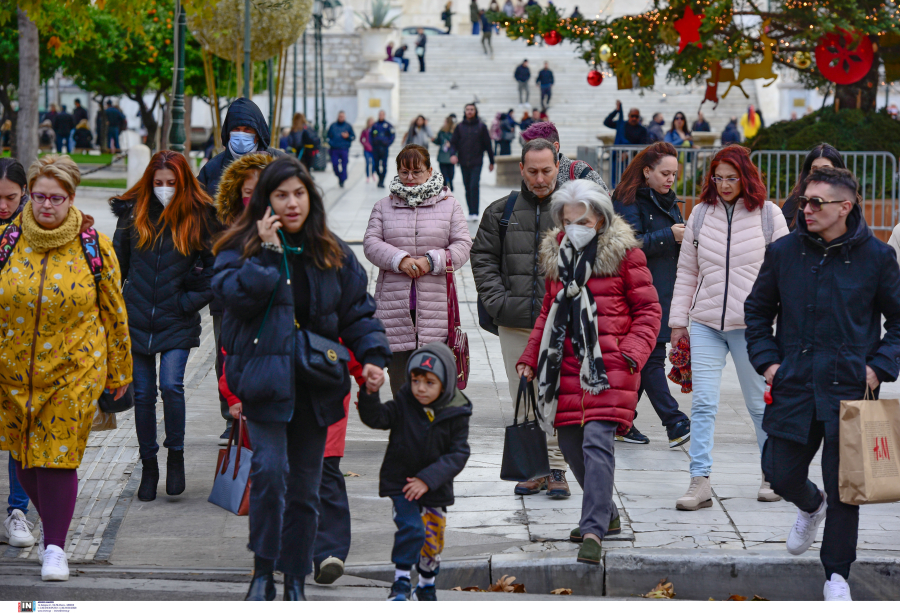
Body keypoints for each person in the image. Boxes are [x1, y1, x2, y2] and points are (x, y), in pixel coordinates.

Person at [211, 155, 391, 601]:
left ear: (310, 196)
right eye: (281, 195)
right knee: (270, 476)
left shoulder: (332, 251)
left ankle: (294, 580)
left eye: (299, 194)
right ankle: (261, 571)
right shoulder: (240, 246)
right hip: (265, 383)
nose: (292, 204)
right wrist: (267, 255)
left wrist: (371, 357)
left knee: (306, 490)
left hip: (316, 385)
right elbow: (231, 298)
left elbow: (357, 312)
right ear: (264, 202)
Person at [745, 167, 900, 601]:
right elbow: (756, 313)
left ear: (844, 208)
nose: (806, 208)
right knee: (778, 473)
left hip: (850, 390)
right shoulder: (784, 252)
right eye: (805, 200)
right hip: (794, 383)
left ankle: (836, 577)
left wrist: (879, 367)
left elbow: (899, 321)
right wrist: (769, 362)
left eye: (817, 202)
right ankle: (811, 506)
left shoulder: (876, 257)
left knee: (845, 489)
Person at [0, 155, 131, 581]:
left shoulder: (95, 245)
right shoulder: (7, 241)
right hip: (14, 370)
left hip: (75, 369)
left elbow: (115, 314)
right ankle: (50, 524)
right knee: (24, 456)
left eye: (56, 198)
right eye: (38, 196)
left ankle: (55, 546)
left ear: (71, 198)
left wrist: (119, 373)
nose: (46, 205)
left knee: (57, 458)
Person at [517, 179, 660, 564]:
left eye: (582, 219)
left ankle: (593, 530)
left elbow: (649, 311)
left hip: (609, 365)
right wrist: (531, 357)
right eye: (568, 220)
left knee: (597, 442)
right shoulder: (556, 256)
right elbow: (548, 312)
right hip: (563, 364)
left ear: (600, 217)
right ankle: (607, 515)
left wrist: (630, 353)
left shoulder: (625, 254)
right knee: (568, 445)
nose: (575, 227)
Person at [668, 145, 789, 511]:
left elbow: (786, 276)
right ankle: (699, 480)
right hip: (705, 322)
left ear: (746, 177)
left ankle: (773, 474)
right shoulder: (701, 215)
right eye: (717, 178)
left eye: (731, 178)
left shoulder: (770, 216)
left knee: (758, 404)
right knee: (703, 403)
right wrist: (678, 323)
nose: (723, 184)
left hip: (752, 327)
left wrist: (782, 326)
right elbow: (687, 272)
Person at [111, 151, 220, 501]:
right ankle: (149, 464)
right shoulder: (133, 215)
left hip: (176, 320)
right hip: (137, 320)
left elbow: (214, 272)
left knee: (171, 385)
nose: (164, 189)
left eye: (171, 183)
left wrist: (185, 304)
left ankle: (176, 455)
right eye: (158, 183)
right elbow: (116, 269)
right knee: (142, 394)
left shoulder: (198, 216)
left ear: (183, 182)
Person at [471, 138, 573, 497]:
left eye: (547, 170)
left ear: (558, 165)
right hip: (514, 321)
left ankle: (557, 467)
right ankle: (535, 467)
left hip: (562, 321)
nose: (540, 178)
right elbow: (482, 256)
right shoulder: (501, 210)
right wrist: (498, 301)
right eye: (533, 171)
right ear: (522, 170)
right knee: (523, 394)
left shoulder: (574, 210)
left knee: (558, 393)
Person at [358, 342, 471, 601]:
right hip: (403, 483)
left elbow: (458, 454)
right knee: (411, 529)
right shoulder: (403, 402)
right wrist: (370, 393)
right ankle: (400, 582)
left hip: (435, 487)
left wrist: (428, 479)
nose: (420, 388)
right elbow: (377, 418)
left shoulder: (456, 412)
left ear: (446, 383)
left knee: (432, 539)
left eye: (429, 382)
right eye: (415, 380)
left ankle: (426, 585)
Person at [364, 144, 472, 396]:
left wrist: (432, 260)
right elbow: (370, 244)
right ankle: (403, 433)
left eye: (416, 172)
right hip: (394, 309)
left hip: (436, 309)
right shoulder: (383, 206)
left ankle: (431, 435)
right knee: (401, 385)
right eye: (404, 173)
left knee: (432, 386)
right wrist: (398, 259)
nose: (410, 179)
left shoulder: (449, 205)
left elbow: (463, 245)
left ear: (430, 170)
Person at [612, 142, 691, 447]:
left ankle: (621, 422)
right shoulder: (627, 201)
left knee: (647, 358)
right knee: (652, 359)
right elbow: (627, 244)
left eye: (674, 174)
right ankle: (674, 422)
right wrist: (670, 235)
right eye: (665, 173)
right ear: (647, 172)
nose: (671, 179)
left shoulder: (668, 200)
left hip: (663, 289)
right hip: (638, 291)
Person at [0, 158, 35, 550]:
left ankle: (18, 512)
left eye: (11, 197)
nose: (3, 205)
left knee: (17, 434)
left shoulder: (29, 232)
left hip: (19, 346)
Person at [198, 97, 283, 199]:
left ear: (257, 134)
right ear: (228, 133)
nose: (241, 134)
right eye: (236, 129)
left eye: (247, 130)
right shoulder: (211, 168)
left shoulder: (278, 161)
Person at [520, 121, 608, 193]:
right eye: (528, 147)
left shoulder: (579, 171)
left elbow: (606, 206)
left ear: (555, 147)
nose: (539, 180)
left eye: (537, 147)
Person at [779, 143, 845, 229]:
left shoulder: (848, 200)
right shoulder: (796, 201)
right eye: (815, 169)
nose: (820, 173)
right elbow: (783, 233)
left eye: (826, 168)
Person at [449, 103, 495, 220]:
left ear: (475, 111)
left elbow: (488, 145)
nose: (469, 111)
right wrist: (453, 154)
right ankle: (470, 211)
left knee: (474, 185)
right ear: (464, 112)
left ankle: (475, 212)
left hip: (477, 161)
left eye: (472, 109)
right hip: (464, 162)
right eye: (467, 109)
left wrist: (491, 161)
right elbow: (453, 143)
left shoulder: (481, 127)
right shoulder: (459, 127)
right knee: (467, 187)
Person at [326, 111, 355, 188]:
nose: (341, 118)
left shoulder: (348, 126)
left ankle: (343, 179)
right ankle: (339, 176)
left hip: (344, 148)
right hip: (334, 149)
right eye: (340, 116)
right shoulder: (333, 126)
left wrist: (347, 137)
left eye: (342, 116)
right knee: (335, 164)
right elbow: (328, 136)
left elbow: (353, 137)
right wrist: (331, 143)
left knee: (344, 164)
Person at [370, 110, 396, 188]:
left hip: (384, 148)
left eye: (382, 114)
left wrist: (388, 143)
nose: (381, 116)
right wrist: (372, 143)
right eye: (380, 114)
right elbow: (370, 135)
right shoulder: (375, 125)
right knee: (376, 165)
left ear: (384, 115)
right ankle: (380, 177)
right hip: (376, 148)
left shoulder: (388, 125)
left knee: (384, 165)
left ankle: (382, 180)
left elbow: (392, 135)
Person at [432, 114, 457, 191]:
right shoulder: (441, 132)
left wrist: (451, 144)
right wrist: (434, 140)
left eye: (445, 122)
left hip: (450, 155)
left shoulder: (454, 132)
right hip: (442, 155)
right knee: (443, 172)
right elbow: (438, 141)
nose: (444, 123)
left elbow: (458, 142)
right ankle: (445, 184)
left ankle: (450, 182)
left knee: (451, 172)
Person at [361, 117, 376, 183]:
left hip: (373, 149)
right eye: (370, 121)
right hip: (367, 149)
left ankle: (372, 173)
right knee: (367, 163)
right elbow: (361, 139)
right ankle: (367, 176)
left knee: (373, 163)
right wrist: (365, 144)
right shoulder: (365, 130)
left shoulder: (375, 130)